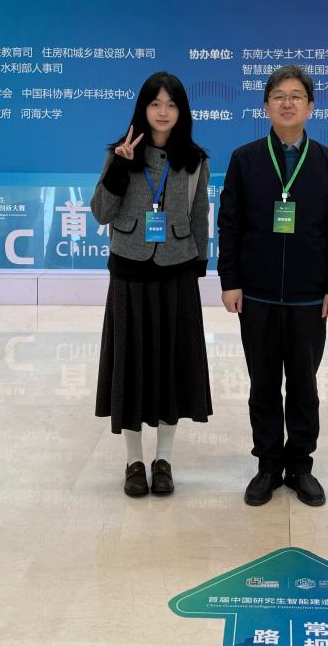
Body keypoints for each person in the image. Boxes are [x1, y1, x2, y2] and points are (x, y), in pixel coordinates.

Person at [217, 64, 328, 507]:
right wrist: (230, 280)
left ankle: (300, 465)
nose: (288, 103)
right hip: (255, 293)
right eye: (279, 96)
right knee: (262, 384)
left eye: (296, 96)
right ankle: (267, 465)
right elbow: (229, 224)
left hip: (309, 296)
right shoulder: (245, 159)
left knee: (303, 385)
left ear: (311, 107)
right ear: (266, 107)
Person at [90, 72, 212, 498]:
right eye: (155, 103)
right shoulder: (120, 154)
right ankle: (133, 461)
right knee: (132, 365)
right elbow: (101, 213)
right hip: (130, 272)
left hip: (177, 272)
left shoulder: (194, 160)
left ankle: (164, 460)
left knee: (171, 367)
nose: (163, 112)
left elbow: (200, 216)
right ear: (143, 108)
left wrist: (199, 265)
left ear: (182, 112)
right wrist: (121, 169)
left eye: (171, 104)